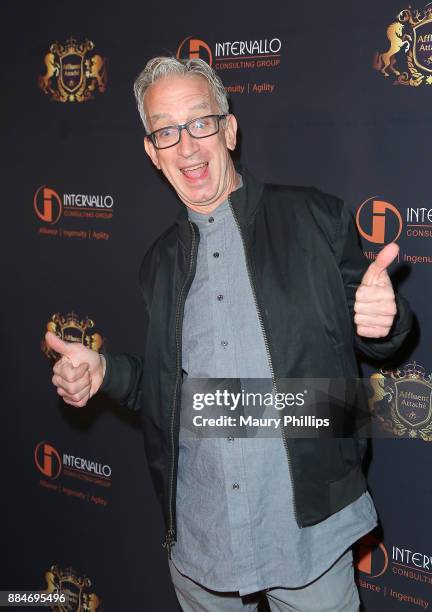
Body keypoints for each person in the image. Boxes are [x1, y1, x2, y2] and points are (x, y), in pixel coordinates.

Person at [46, 56, 412, 611]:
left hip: (309, 535)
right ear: (152, 153)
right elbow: (174, 396)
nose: (187, 146)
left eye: (200, 122)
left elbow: (377, 334)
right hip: (202, 544)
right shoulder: (159, 262)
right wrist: (106, 372)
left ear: (229, 128)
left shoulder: (314, 217)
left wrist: (387, 322)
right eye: (166, 132)